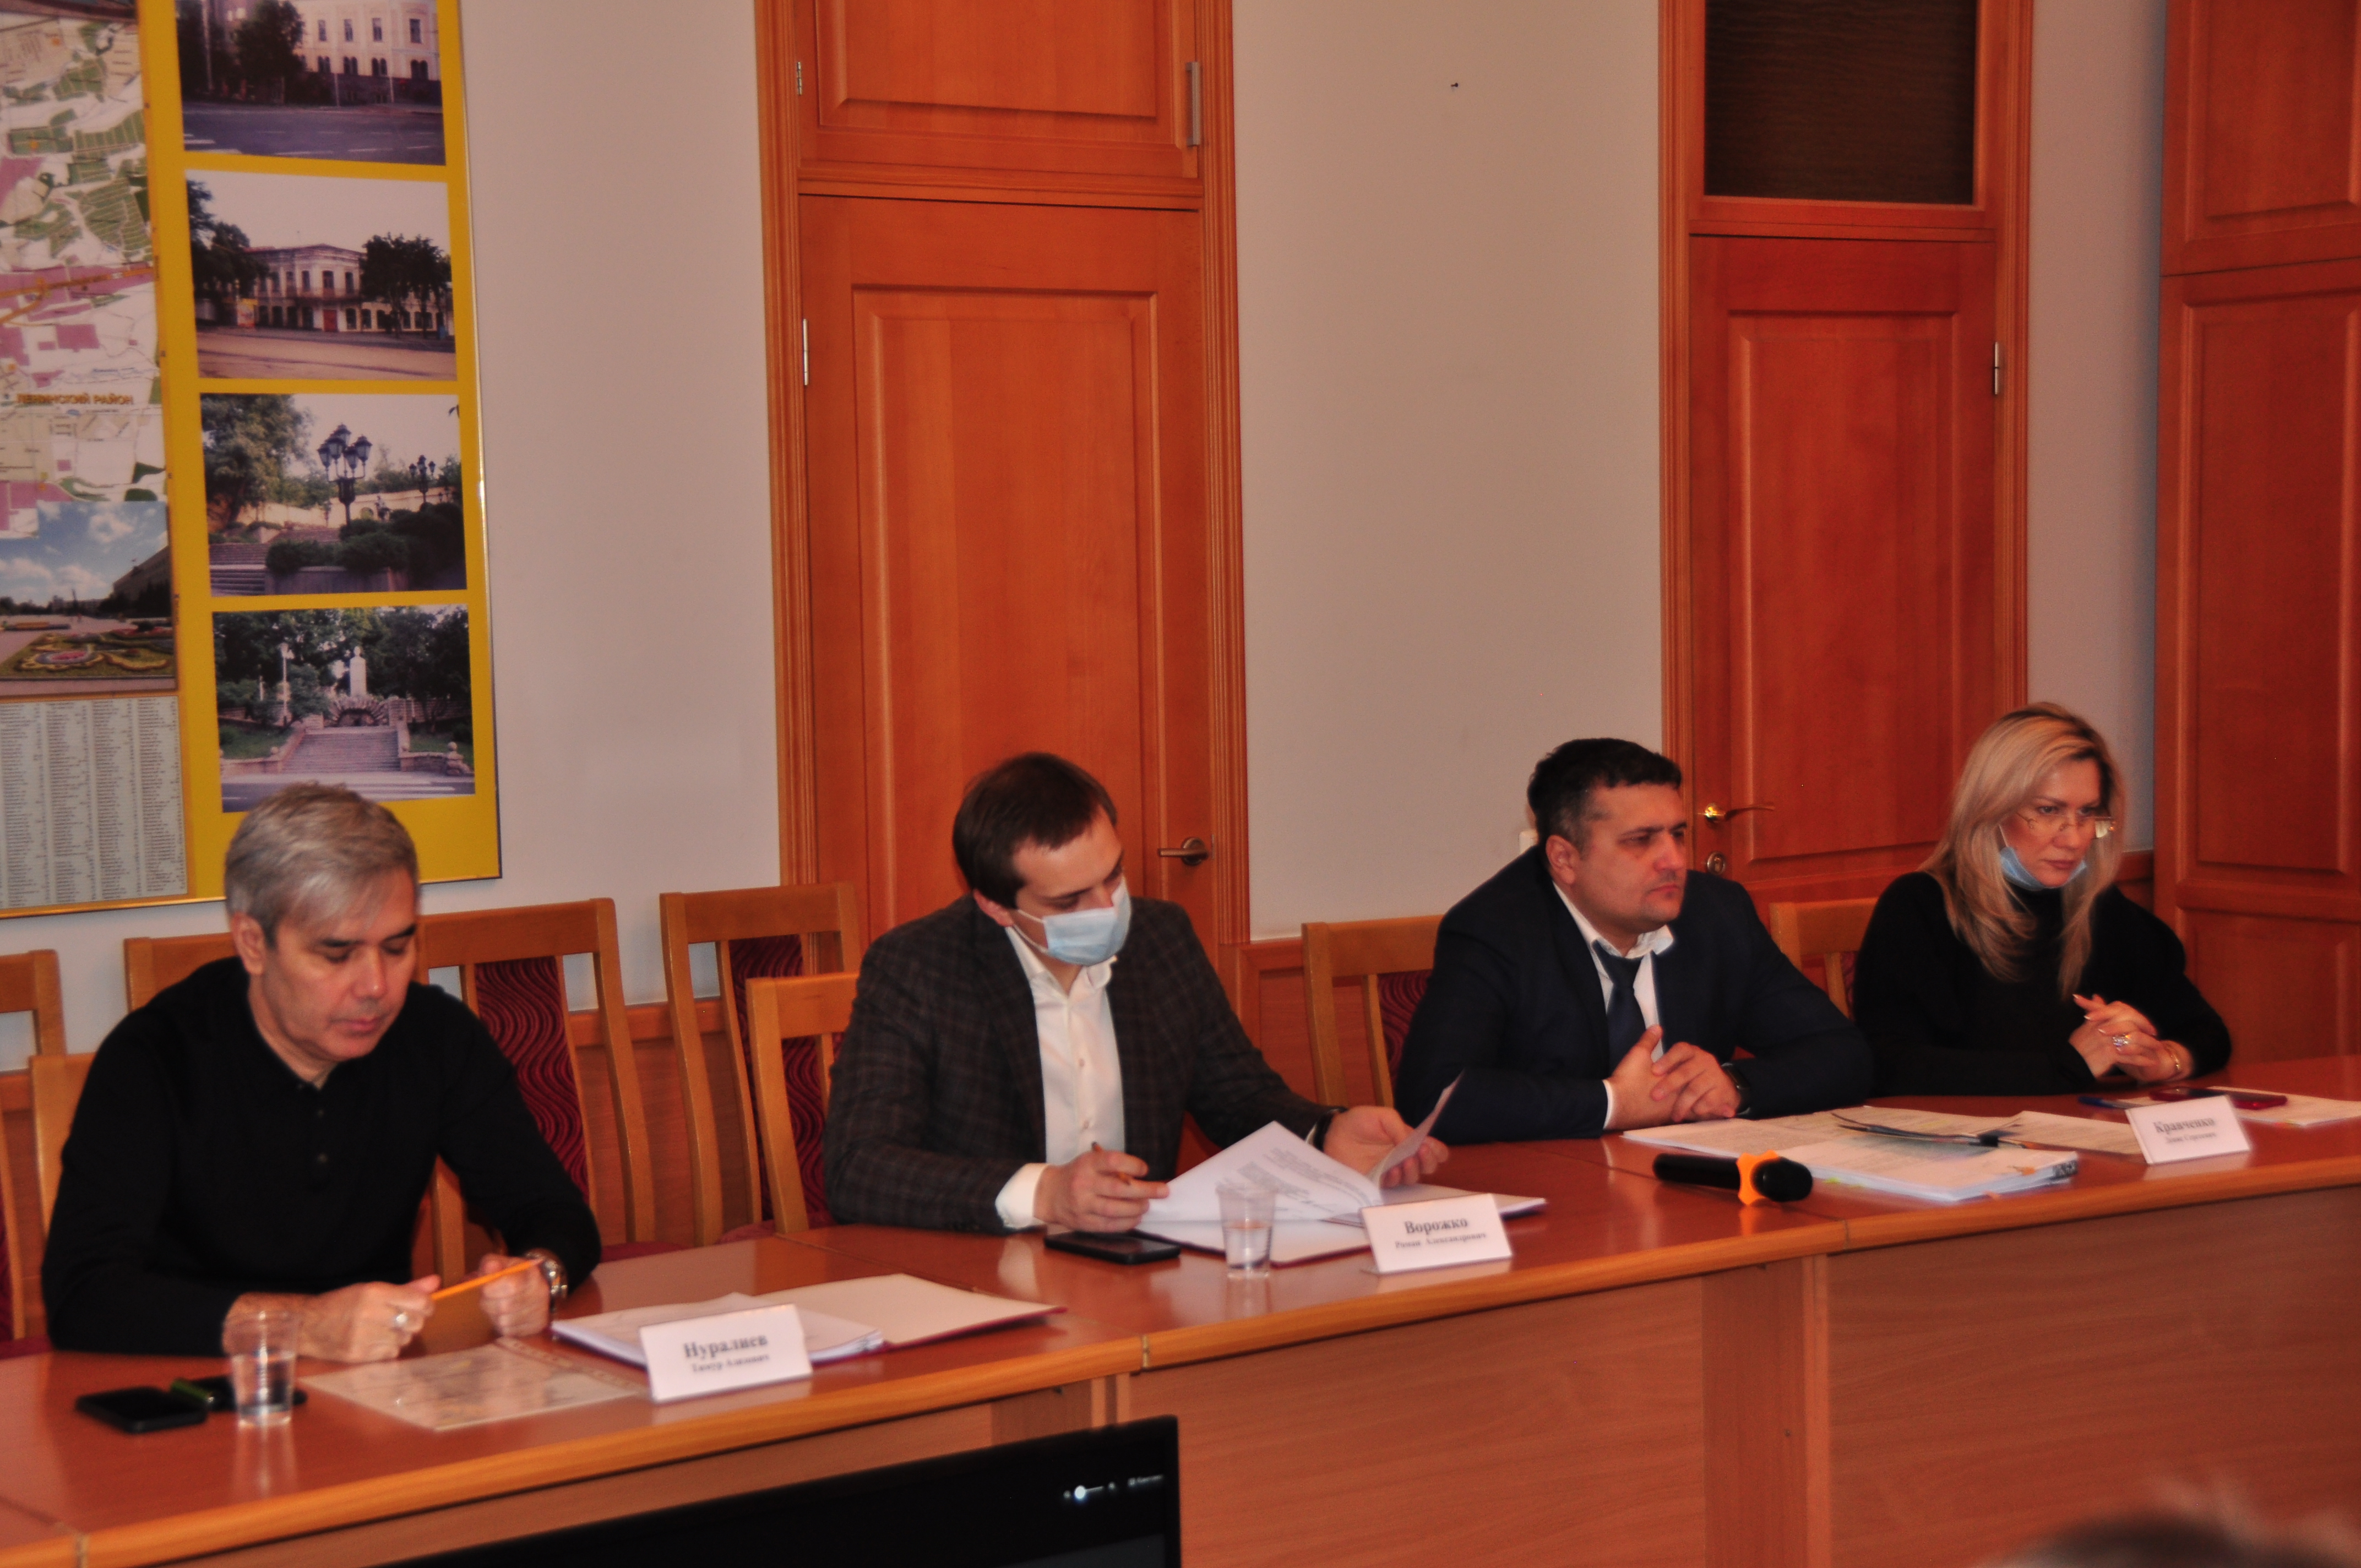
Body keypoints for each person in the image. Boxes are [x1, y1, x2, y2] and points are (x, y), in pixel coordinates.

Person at [42, 786, 600, 1359]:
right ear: (253, 944)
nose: (376, 986)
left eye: (397, 947)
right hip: (196, 1380)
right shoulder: (153, 1058)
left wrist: (541, 1276)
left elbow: (555, 1212)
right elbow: (84, 1292)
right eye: (337, 955)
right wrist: (302, 1325)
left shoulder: (436, 1037)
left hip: (382, 1379)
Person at [824, 753, 1446, 1233]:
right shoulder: (918, 967)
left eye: (1114, 875)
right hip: (987, 1270)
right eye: (1069, 901)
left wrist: (1324, 1132)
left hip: (1140, 1264)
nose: (1107, 907)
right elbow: (860, 1167)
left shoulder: (1159, 937)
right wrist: (1044, 1193)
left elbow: (1237, 1097)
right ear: (994, 905)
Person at [1395, 738, 1873, 1142]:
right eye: (1641, 840)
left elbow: (1844, 1054)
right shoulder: (1495, 930)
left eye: (1678, 834)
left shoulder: (1718, 914)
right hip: (1560, 1190)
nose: (1674, 860)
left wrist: (1735, 1085)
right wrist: (1613, 1103)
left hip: (1691, 1182)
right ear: (1564, 859)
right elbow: (1434, 1097)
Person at [1853, 704, 2231, 1095]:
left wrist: (2165, 1059)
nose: (2074, 839)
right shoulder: (1920, 906)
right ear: (1992, 808)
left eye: (2088, 813)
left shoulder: (2100, 908)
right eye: (2049, 811)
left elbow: (2206, 1030)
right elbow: (1891, 1064)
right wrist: (2069, 1065)